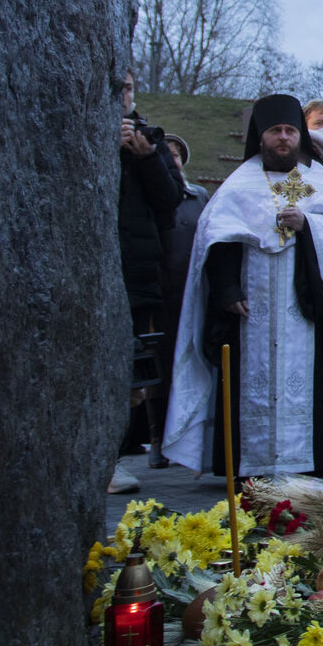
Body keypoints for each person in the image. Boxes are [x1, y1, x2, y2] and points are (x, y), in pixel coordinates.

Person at [161, 94, 323, 479]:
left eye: (291, 130)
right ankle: (247, 466)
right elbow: (217, 243)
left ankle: (309, 464)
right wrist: (226, 291)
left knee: (306, 387)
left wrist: (308, 225)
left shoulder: (315, 180)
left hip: (304, 310)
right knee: (246, 383)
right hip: (250, 311)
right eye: (275, 131)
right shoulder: (239, 185)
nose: (284, 138)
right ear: (261, 136)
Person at [113, 70, 184, 493]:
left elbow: (170, 200)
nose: (125, 96)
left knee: (130, 376)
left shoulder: (147, 139)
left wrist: (146, 157)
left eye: (130, 88)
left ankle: (113, 458)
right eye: (119, 87)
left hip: (135, 269)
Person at [147, 134, 209, 470]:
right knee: (161, 366)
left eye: (176, 154)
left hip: (192, 285)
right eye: (166, 154)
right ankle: (158, 438)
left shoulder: (198, 195)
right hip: (162, 290)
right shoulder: (153, 192)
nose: (172, 159)